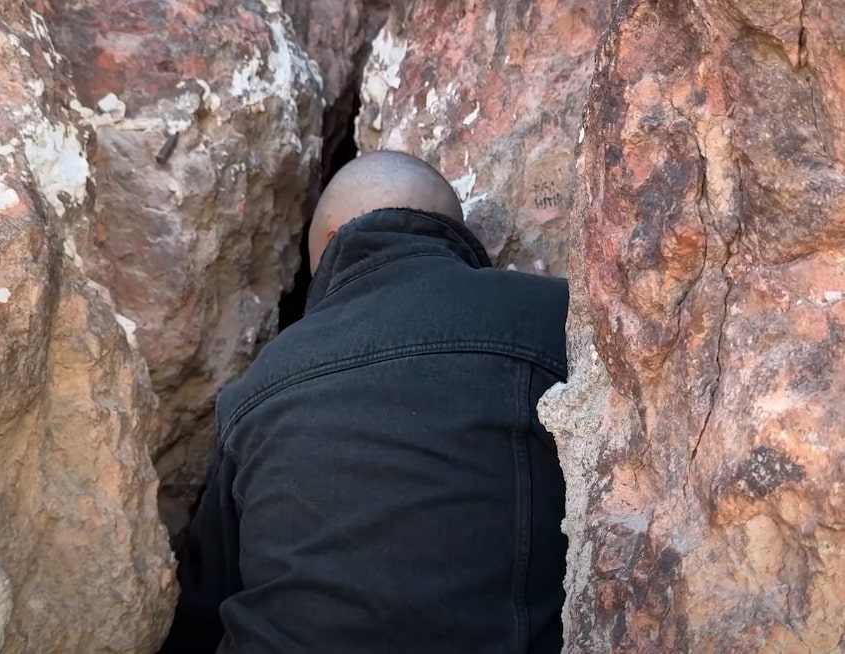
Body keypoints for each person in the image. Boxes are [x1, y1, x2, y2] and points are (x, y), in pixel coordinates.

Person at [159, 150, 569, 654]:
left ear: (331, 243)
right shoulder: (554, 318)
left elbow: (199, 612)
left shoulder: (254, 388)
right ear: (453, 232)